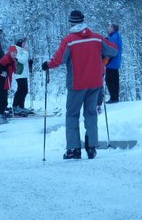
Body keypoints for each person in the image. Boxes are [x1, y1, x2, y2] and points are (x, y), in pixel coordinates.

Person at [41, 10, 117, 160]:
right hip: (95, 82)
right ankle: (91, 147)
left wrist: (47, 65)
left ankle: (74, 149)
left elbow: (59, 60)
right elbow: (113, 50)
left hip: (77, 84)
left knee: (72, 115)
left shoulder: (69, 40)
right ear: (83, 21)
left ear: (71, 23)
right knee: (91, 114)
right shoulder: (96, 37)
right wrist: (102, 55)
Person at [0, 45, 18, 125]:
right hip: (0, 82)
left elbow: (15, 71)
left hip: (5, 82)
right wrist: (2, 72)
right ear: (9, 52)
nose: (14, 54)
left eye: (15, 52)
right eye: (13, 52)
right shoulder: (6, 59)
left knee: (3, 99)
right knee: (0, 99)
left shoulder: (12, 60)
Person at [12, 37, 33, 115]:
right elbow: (22, 60)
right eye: (24, 43)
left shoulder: (21, 50)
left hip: (23, 74)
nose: (25, 44)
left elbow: (24, 61)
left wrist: (29, 63)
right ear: (20, 43)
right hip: (19, 73)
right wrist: (26, 52)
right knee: (21, 90)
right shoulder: (16, 50)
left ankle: (21, 106)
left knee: (24, 90)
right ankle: (16, 106)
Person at [105, 23, 123, 103]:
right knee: (115, 79)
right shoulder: (117, 36)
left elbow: (112, 49)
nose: (108, 29)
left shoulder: (114, 37)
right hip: (116, 61)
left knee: (109, 80)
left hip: (112, 62)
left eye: (110, 27)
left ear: (113, 29)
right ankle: (115, 97)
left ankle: (113, 98)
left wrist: (107, 60)